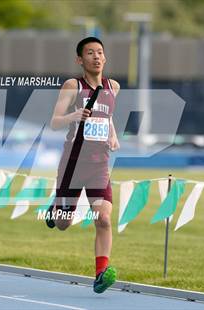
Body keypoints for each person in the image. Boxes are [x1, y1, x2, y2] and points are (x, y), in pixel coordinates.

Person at [45, 37, 120, 294]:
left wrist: (112, 134)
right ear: (80, 59)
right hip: (73, 165)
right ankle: (54, 210)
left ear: (105, 57)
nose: (96, 57)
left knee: (104, 218)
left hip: (100, 165)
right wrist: (73, 116)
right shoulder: (72, 86)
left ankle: (101, 274)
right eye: (90, 53)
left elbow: (107, 117)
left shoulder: (114, 87)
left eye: (100, 52)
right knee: (64, 223)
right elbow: (54, 122)